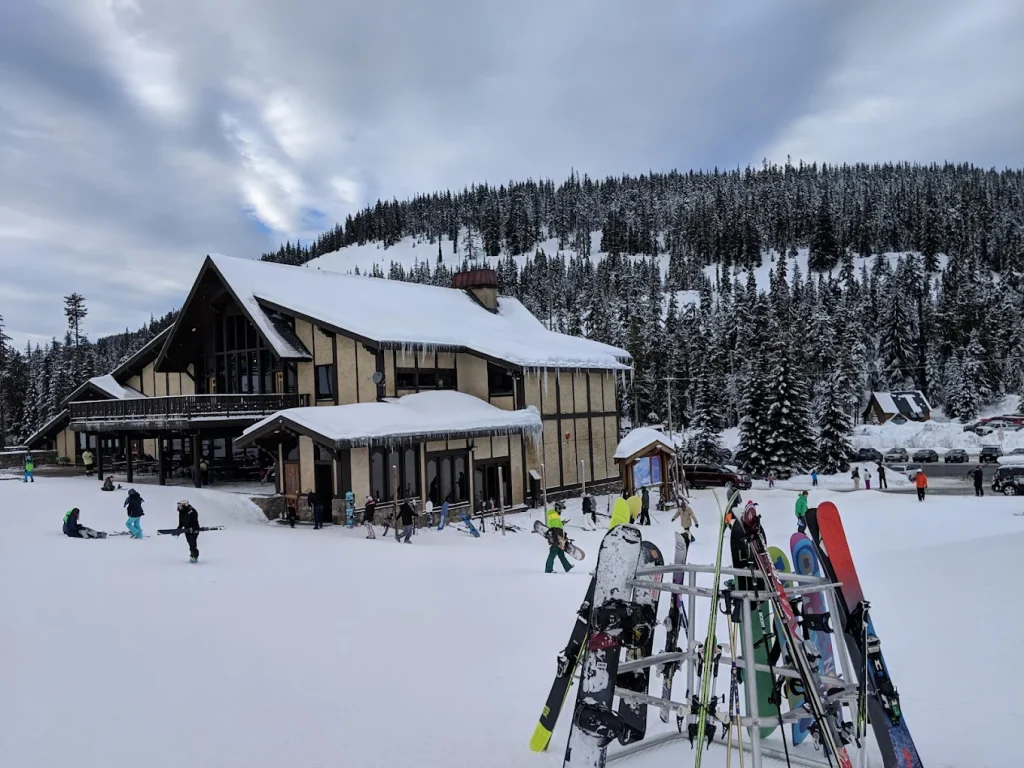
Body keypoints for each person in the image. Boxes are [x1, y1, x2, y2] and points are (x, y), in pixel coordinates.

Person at [545, 502, 574, 573]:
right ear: (557, 508)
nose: (561, 511)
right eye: (561, 509)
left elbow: (557, 525)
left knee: (561, 553)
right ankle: (548, 569)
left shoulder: (554, 515)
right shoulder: (553, 515)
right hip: (556, 538)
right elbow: (555, 529)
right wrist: (560, 539)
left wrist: (562, 523)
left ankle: (567, 567)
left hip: (558, 538)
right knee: (553, 553)